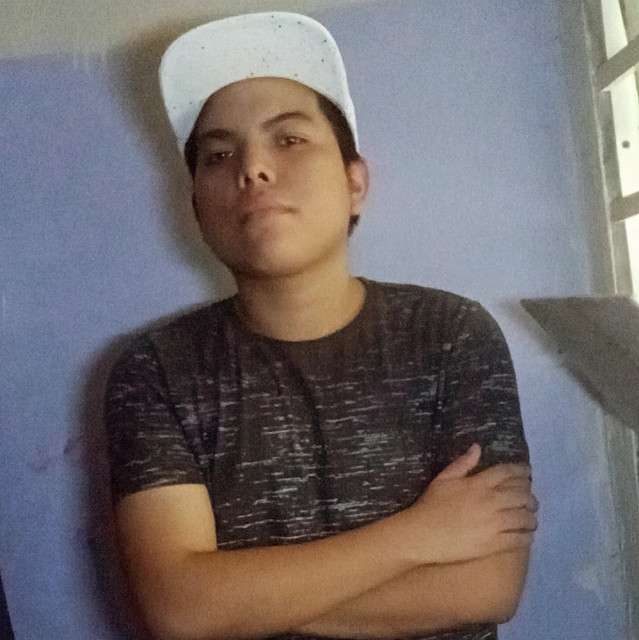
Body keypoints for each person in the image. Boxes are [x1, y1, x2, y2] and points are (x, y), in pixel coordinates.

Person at [105, 12, 537, 640]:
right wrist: (419, 535)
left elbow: (487, 587)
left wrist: (233, 602)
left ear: (354, 182)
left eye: (288, 139)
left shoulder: (451, 333)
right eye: (219, 154)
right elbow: (178, 611)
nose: (252, 169)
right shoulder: (156, 372)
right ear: (196, 206)